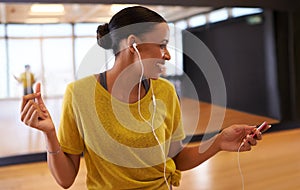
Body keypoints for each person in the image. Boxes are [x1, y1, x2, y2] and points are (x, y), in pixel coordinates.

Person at [20, 6, 264, 190]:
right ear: (133, 44)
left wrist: (220, 141)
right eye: (162, 45)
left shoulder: (166, 92)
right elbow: (65, 180)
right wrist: (50, 134)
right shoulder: (79, 94)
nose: (167, 55)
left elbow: (176, 158)